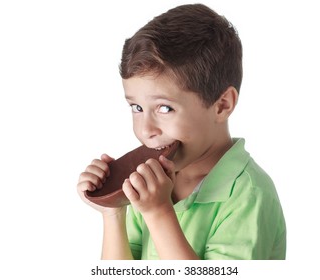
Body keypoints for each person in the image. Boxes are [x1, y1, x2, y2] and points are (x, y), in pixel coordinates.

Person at [77, 3, 286, 260]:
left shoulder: (248, 195)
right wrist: (114, 211)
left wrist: (158, 212)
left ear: (222, 106)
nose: (145, 130)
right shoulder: (153, 181)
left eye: (164, 108)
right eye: (136, 107)